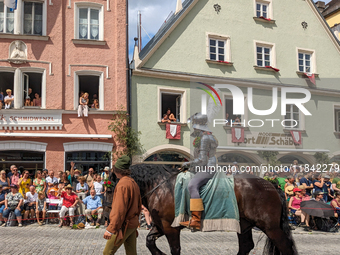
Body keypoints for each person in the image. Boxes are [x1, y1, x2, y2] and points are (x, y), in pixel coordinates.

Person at [179, 113, 218, 229]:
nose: (193, 128)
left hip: (208, 167)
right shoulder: (207, 136)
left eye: (194, 126)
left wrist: (187, 163)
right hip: (206, 166)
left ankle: (196, 220)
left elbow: (202, 160)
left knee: (192, 185)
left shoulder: (205, 138)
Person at [103, 155, 142, 255]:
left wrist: (111, 229)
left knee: (107, 252)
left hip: (124, 225)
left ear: (117, 170)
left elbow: (119, 209)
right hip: (132, 223)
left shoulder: (122, 184)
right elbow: (139, 205)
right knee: (131, 253)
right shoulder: (133, 182)